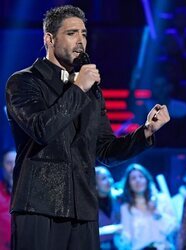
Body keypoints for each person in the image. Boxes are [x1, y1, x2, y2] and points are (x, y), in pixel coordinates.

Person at [5, 5, 170, 250]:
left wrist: (145, 131)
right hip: (38, 205)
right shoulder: (24, 81)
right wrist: (78, 89)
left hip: (82, 207)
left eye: (83, 33)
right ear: (49, 39)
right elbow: (41, 129)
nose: (80, 41)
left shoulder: (91, 91)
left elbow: (105, 150)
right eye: (72, 33)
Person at [117, 163, 176, 250]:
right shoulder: (126, 208)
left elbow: (172, 228)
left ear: (147, 179)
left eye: (141, 176)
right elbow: (127, 238)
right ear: (129, 184)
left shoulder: (161, 199)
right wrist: (120, 236)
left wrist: (157, 213)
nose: (138, 180)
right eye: (133, 178)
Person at [96, 166, 122, 250]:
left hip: (119, 245)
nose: (109, 181)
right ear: (95, 184)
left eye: (109, 177)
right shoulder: (88, 204)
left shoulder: (119, 198)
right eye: (104, 178)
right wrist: (109, 229)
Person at [0, 148, 16, 250]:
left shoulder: (30, 193)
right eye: (9, 163)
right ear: (2, 166)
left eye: (16, 162)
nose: (13, 167)